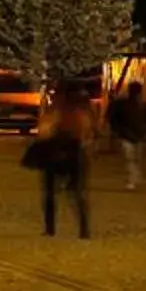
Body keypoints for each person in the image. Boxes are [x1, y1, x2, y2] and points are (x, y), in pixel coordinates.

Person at [31, 85, 92, 238]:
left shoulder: (55, 113)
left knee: (50, 193)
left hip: (55, 154)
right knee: (76, 193)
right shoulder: (80, 114)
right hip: (75, 154)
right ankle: (84, 228)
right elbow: (87, 136)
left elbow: (44, 132)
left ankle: (50, 228)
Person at [108, 79, 146, 189]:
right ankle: (132, 179)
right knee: (130, 158)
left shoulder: (142, 105)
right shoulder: (128, 104)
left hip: (135, 135)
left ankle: (134, 177)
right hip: (130, 135)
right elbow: (114, 119)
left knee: (134, 159)